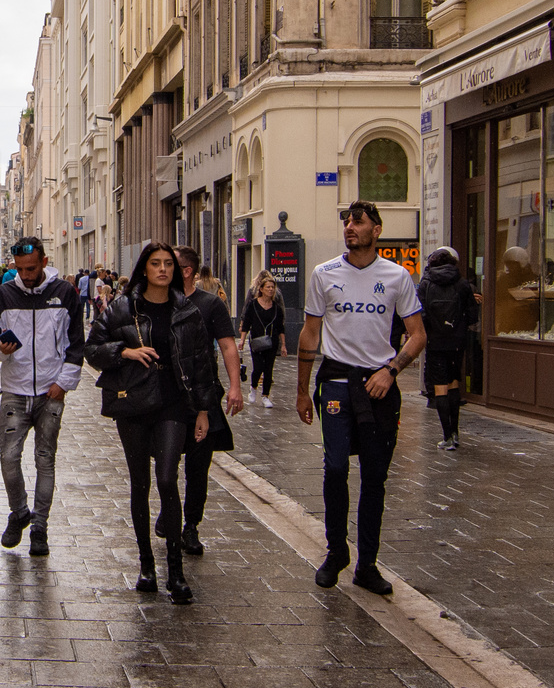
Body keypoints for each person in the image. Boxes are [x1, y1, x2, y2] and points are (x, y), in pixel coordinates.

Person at [295, 201, 426, 597]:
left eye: (359, 221)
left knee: (375, 477)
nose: (350, 227)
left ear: (377, 229)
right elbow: (310, 333)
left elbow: (417, 334)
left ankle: (367, 564)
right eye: (348, 221)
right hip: (335, 382)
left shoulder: (398, 277)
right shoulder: (324, 274)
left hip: (380, 386)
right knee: (335, 468)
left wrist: (392, 371)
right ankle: (336, 551)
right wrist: (301, 390)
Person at [85, 241, 220, 603]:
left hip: (174, 403)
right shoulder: (122, 308)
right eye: (156, 263)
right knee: (140, 483)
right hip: (134, 401)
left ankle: (175, 572)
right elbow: (92, 349)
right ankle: (147, 566)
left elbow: (202, 363)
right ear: (145, 268)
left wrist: (204, 410)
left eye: (169, 265)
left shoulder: (186, 311)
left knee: (167, 479)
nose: (163, 269)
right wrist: (125, 351)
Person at [0, 236, 83, 558]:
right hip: (14, 389)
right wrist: (1, 349)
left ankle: (40, 527)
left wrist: (63, 384)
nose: (25, 275)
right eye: (20, 269)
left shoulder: (65, 294)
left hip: (50, 392)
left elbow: (76, 342)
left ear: (44, 262)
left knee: (45, 460)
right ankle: (20, 511)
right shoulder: (4, 294)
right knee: (8, 458)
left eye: (32, 268)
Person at [174, 246, 243, 555]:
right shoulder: (159, 302)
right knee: (167, 462)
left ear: (187, 271)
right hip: (169, 396)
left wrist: (235, 387)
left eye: (170, 264)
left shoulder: (210, 304)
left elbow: (228, 346)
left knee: (198, 466)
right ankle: (171, 513)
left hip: (204, 394)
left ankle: (191, 526)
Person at [417, 246, 480, 450]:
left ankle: (447, 436)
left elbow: (421, 314)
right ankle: (455, 432)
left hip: (435, 342)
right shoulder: (462, 284)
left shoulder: (425, 284)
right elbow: (472, 316)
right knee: (453, 384)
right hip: (456, 343)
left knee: (440, 388)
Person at [240, 271, 288, 408]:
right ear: (261, 289)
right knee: (258, 367)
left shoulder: (276, 308)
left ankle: (265, 396)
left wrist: (283, 345)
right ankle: (253, 387)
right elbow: (247, 323)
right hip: (256, 340)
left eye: (272, 287)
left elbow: (280, 327)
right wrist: (242, 340)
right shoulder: (253, 305)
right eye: (268, 287)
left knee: (268, 369)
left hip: (271, 341)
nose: (271, 289)